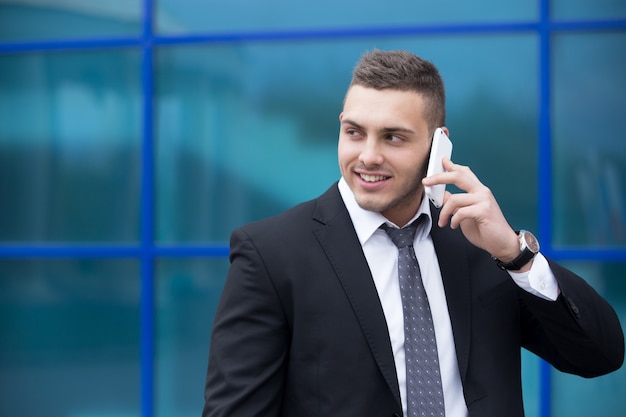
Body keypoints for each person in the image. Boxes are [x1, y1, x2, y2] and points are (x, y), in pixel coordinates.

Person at [201, 49, 624, 417]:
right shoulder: (272, 255)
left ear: (439, 145)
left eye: (393, 137)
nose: (368, 156)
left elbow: (600, 356)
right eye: (354, 132)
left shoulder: (482, 245)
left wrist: (516, 254)